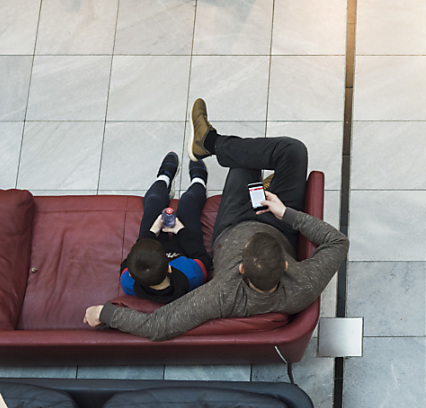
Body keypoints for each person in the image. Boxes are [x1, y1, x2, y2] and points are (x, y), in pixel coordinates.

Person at [84, 98, 348, 340]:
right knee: (293, 150)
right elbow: (339, 243)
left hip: (232, 223)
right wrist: (285, 213)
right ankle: (209, 142)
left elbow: (158, 326)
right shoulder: (304, 284)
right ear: (287, 266)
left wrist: (105, 313)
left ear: (242, 268)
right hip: (279, 221)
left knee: (244, 164)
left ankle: (207, 142)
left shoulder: (222, 293)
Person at [121, 151, 212, 304]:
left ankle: (164, 178)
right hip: (185, 250)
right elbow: (203, 258)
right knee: (188, 202)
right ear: (170, 268)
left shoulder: (128, 281)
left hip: (150, 245)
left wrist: (152, 232)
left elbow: (130, 259)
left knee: (154, 200)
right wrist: (180, 230)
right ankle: (199, 180)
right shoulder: (190, 274)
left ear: (131, 274)